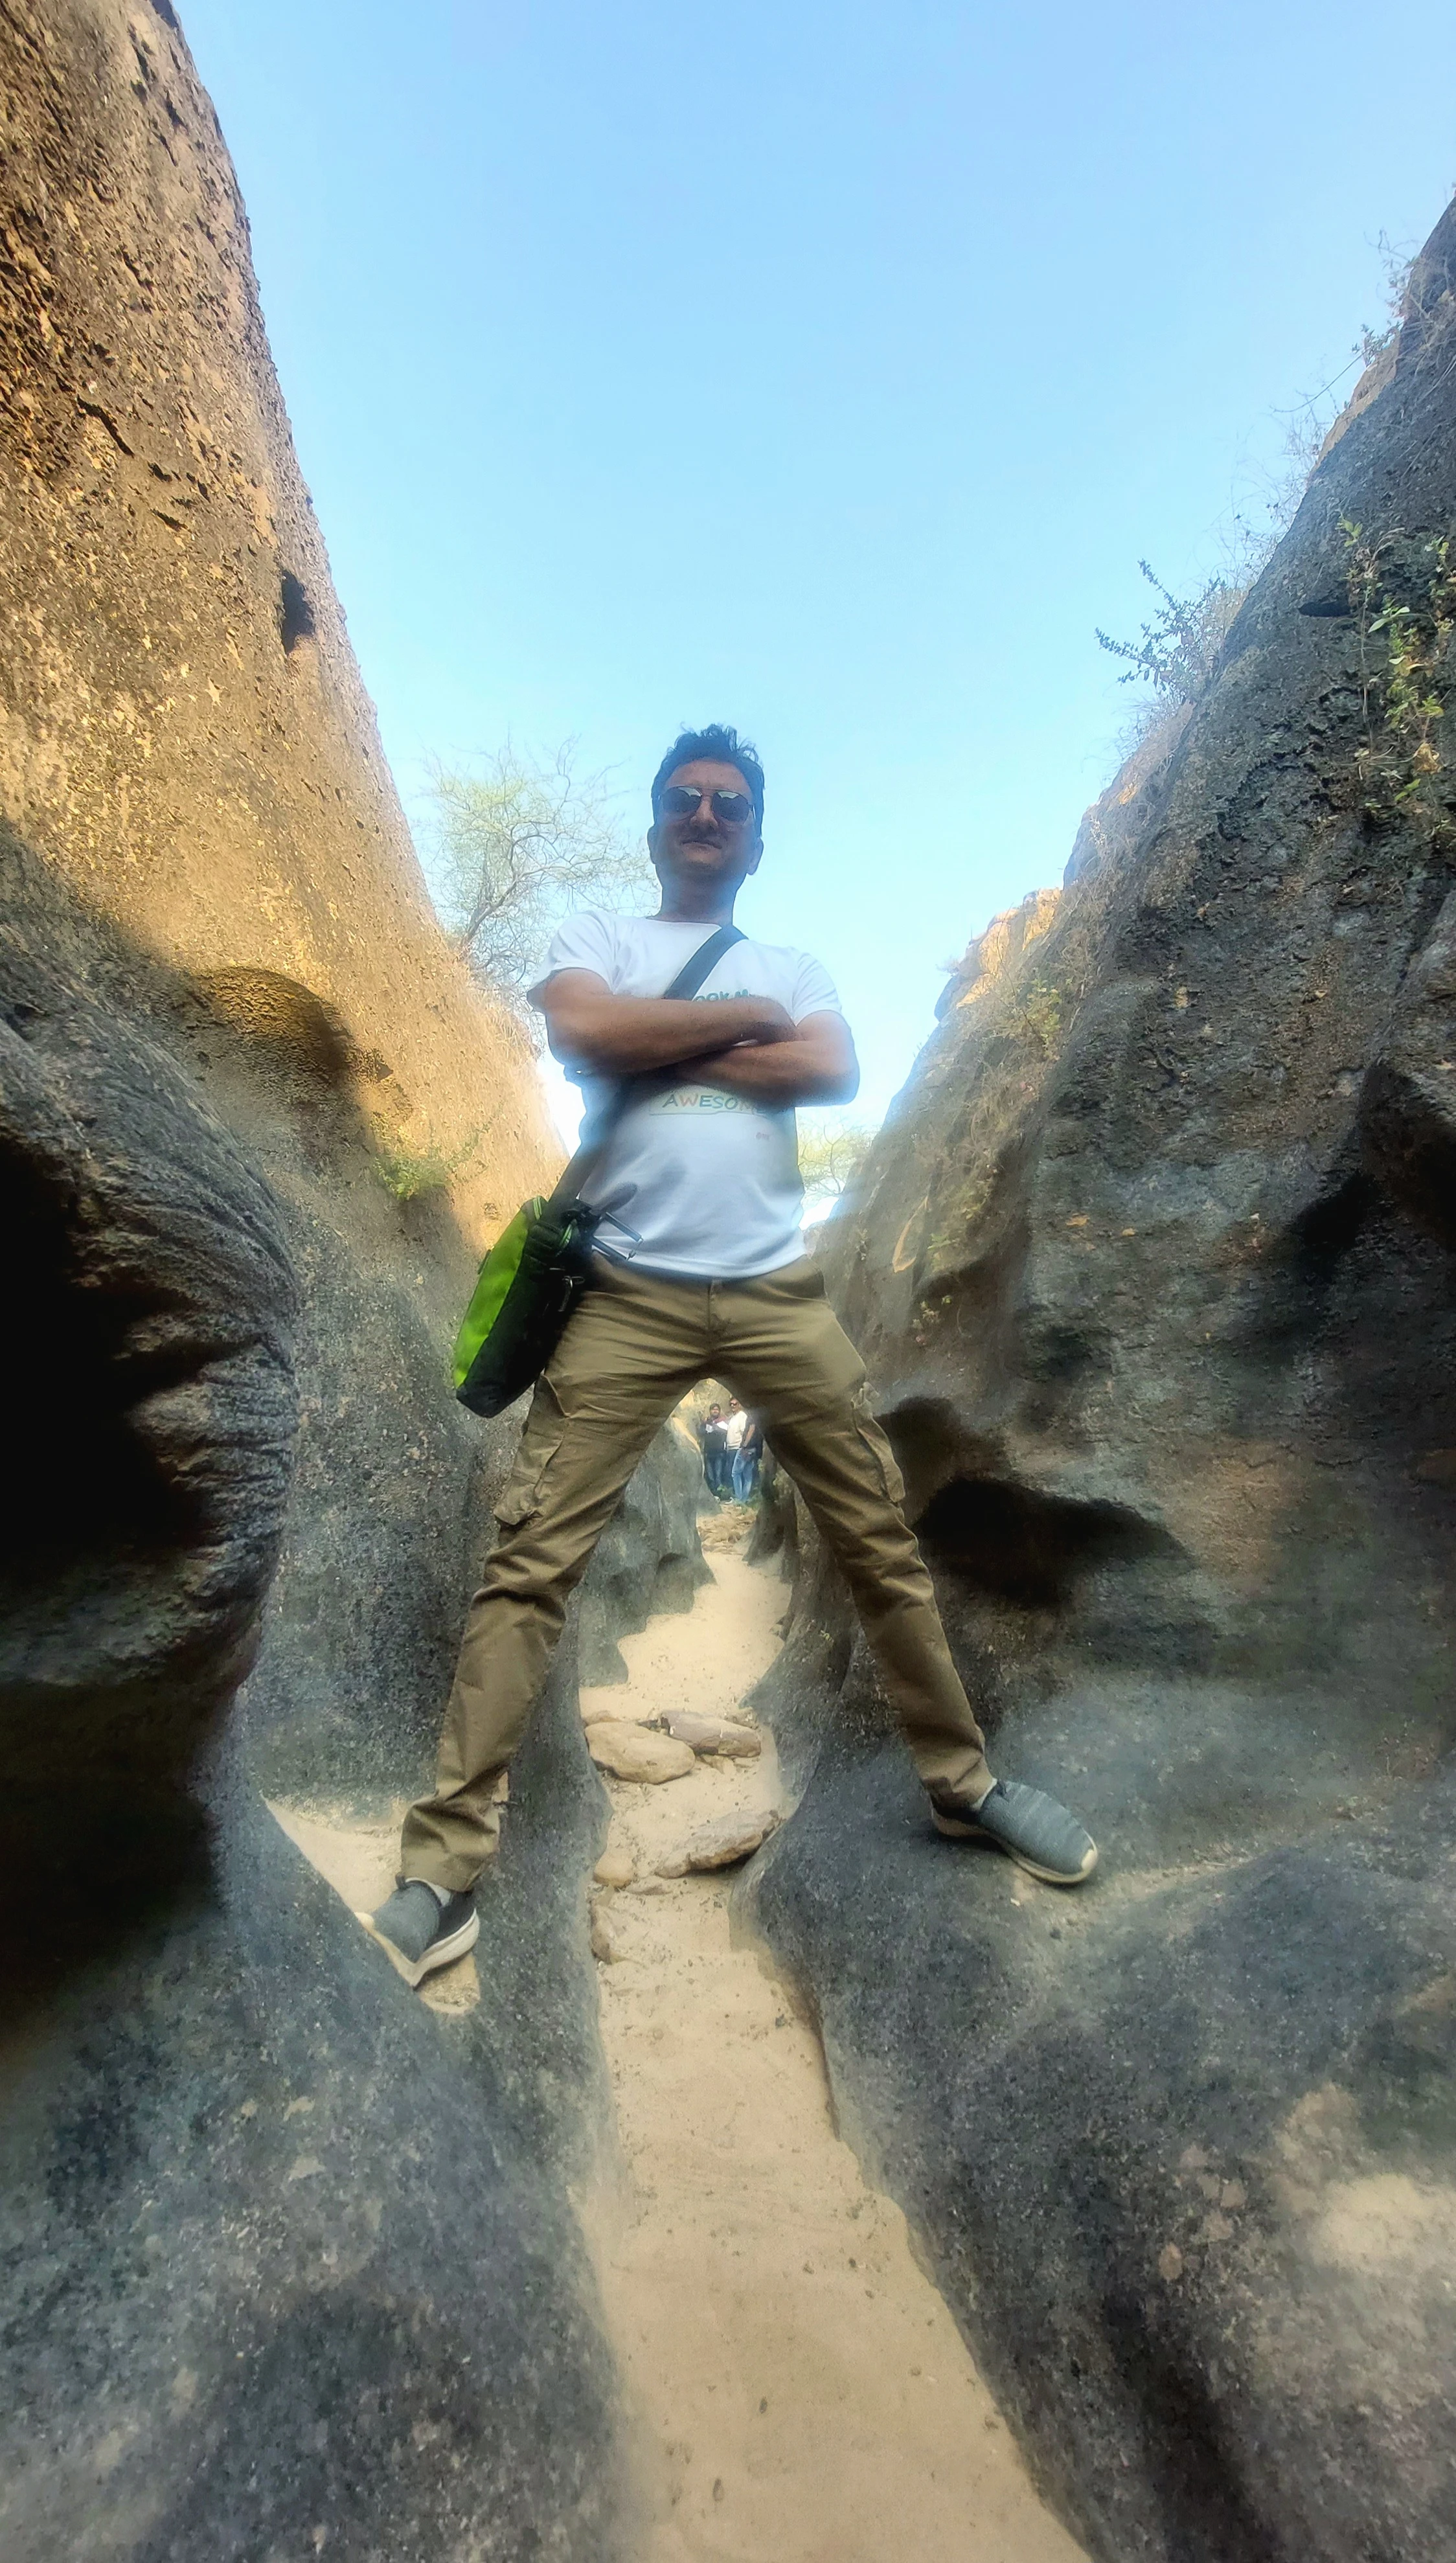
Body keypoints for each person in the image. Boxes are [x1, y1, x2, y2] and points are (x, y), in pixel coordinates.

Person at [367, 725, 1097, 1987]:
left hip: (770, 1294)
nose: (705, 815)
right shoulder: (597, 937)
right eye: (684, 800)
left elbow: (825, 1063)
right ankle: (443, 1869)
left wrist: (681, 1030)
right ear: (656, 826)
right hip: (624, 1296)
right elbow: (586, 1038)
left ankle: (958, 1780)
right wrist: (734, 1026)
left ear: (754, 838)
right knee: (530, 1563)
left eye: (727, 804)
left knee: (873, 1533)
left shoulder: (793, 963)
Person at [700, 1400, 730, 1498]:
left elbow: (726, 1432)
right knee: (710, 1476)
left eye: (717, 1409)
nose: (715, 1411)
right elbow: (701, 1432)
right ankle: (713, 1496)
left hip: (719, 1452)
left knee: (718, 1474)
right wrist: (705, 1425)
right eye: (713, 1409)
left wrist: (715, 1428)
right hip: (708, 1452)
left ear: (720, 1411)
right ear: (710, 1411)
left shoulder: (723, 1422)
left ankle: (720, 1495)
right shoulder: (707, 1422)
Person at [733, 1411, 762, 1505]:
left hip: (747, 1449)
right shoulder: (759, 1416)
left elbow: (751, 1429)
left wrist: (744, 1446)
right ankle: (744, 1501)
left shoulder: (752, 1415)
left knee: (735, 1473)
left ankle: (739, 1499)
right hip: (754, 1449)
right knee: (748, 1476)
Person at [723, 1398, 748, 1498]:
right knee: (733, 1473)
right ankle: (736, 1496)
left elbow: (744, 1432)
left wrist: (743, 1447)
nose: (733, 1406)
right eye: (731, 1404)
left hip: (738, 1448)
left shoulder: (742, 1416)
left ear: (740, 1405)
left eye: (735, 1404)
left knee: (737, 1473)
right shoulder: (733, 1418)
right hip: (731, 1448)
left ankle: (740, 1498)